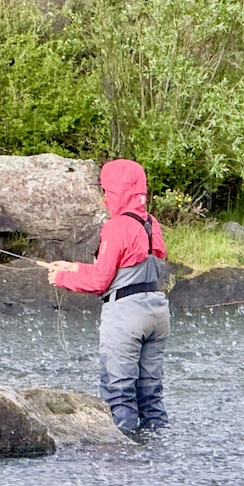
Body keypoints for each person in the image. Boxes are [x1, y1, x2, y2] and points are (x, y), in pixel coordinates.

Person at [46, 158, 171, 437]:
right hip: (158, 312)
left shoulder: (115, 227)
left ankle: (119, 464)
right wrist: (76, 267)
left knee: (119, 393)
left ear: (115, 191)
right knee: (150, 396)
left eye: (106, 191)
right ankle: (157, 458)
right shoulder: (151, 223)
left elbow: (101, 281)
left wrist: (62, 278)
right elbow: (130, 267)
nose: (104, 198)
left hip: (126, 317)